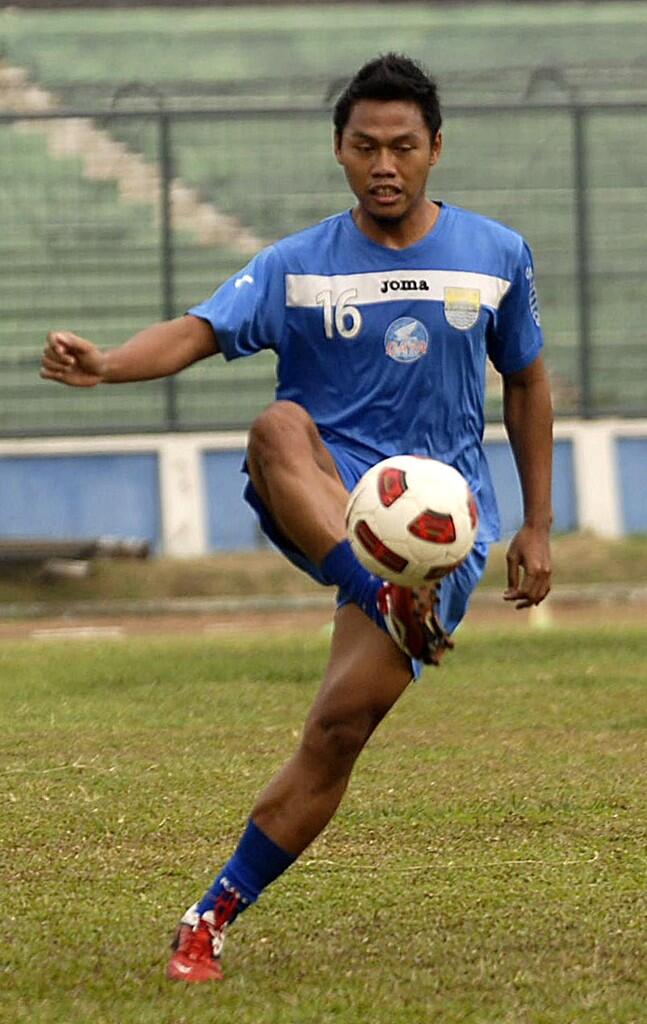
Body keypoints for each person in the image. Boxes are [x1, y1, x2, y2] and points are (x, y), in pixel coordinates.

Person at [40, 53, 553, 983]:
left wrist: (538, 525)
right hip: (328, 499)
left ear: (436, 148)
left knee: (336, 733)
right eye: (365, 146)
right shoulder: (297, 264)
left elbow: (525, 383)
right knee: (276, 424)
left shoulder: (496, 255)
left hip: (439, 537)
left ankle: (209, 915)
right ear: (339, 150)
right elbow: (197, 331)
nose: (384, 164)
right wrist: (107, 364)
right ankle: (373, 590)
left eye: (402, 146)